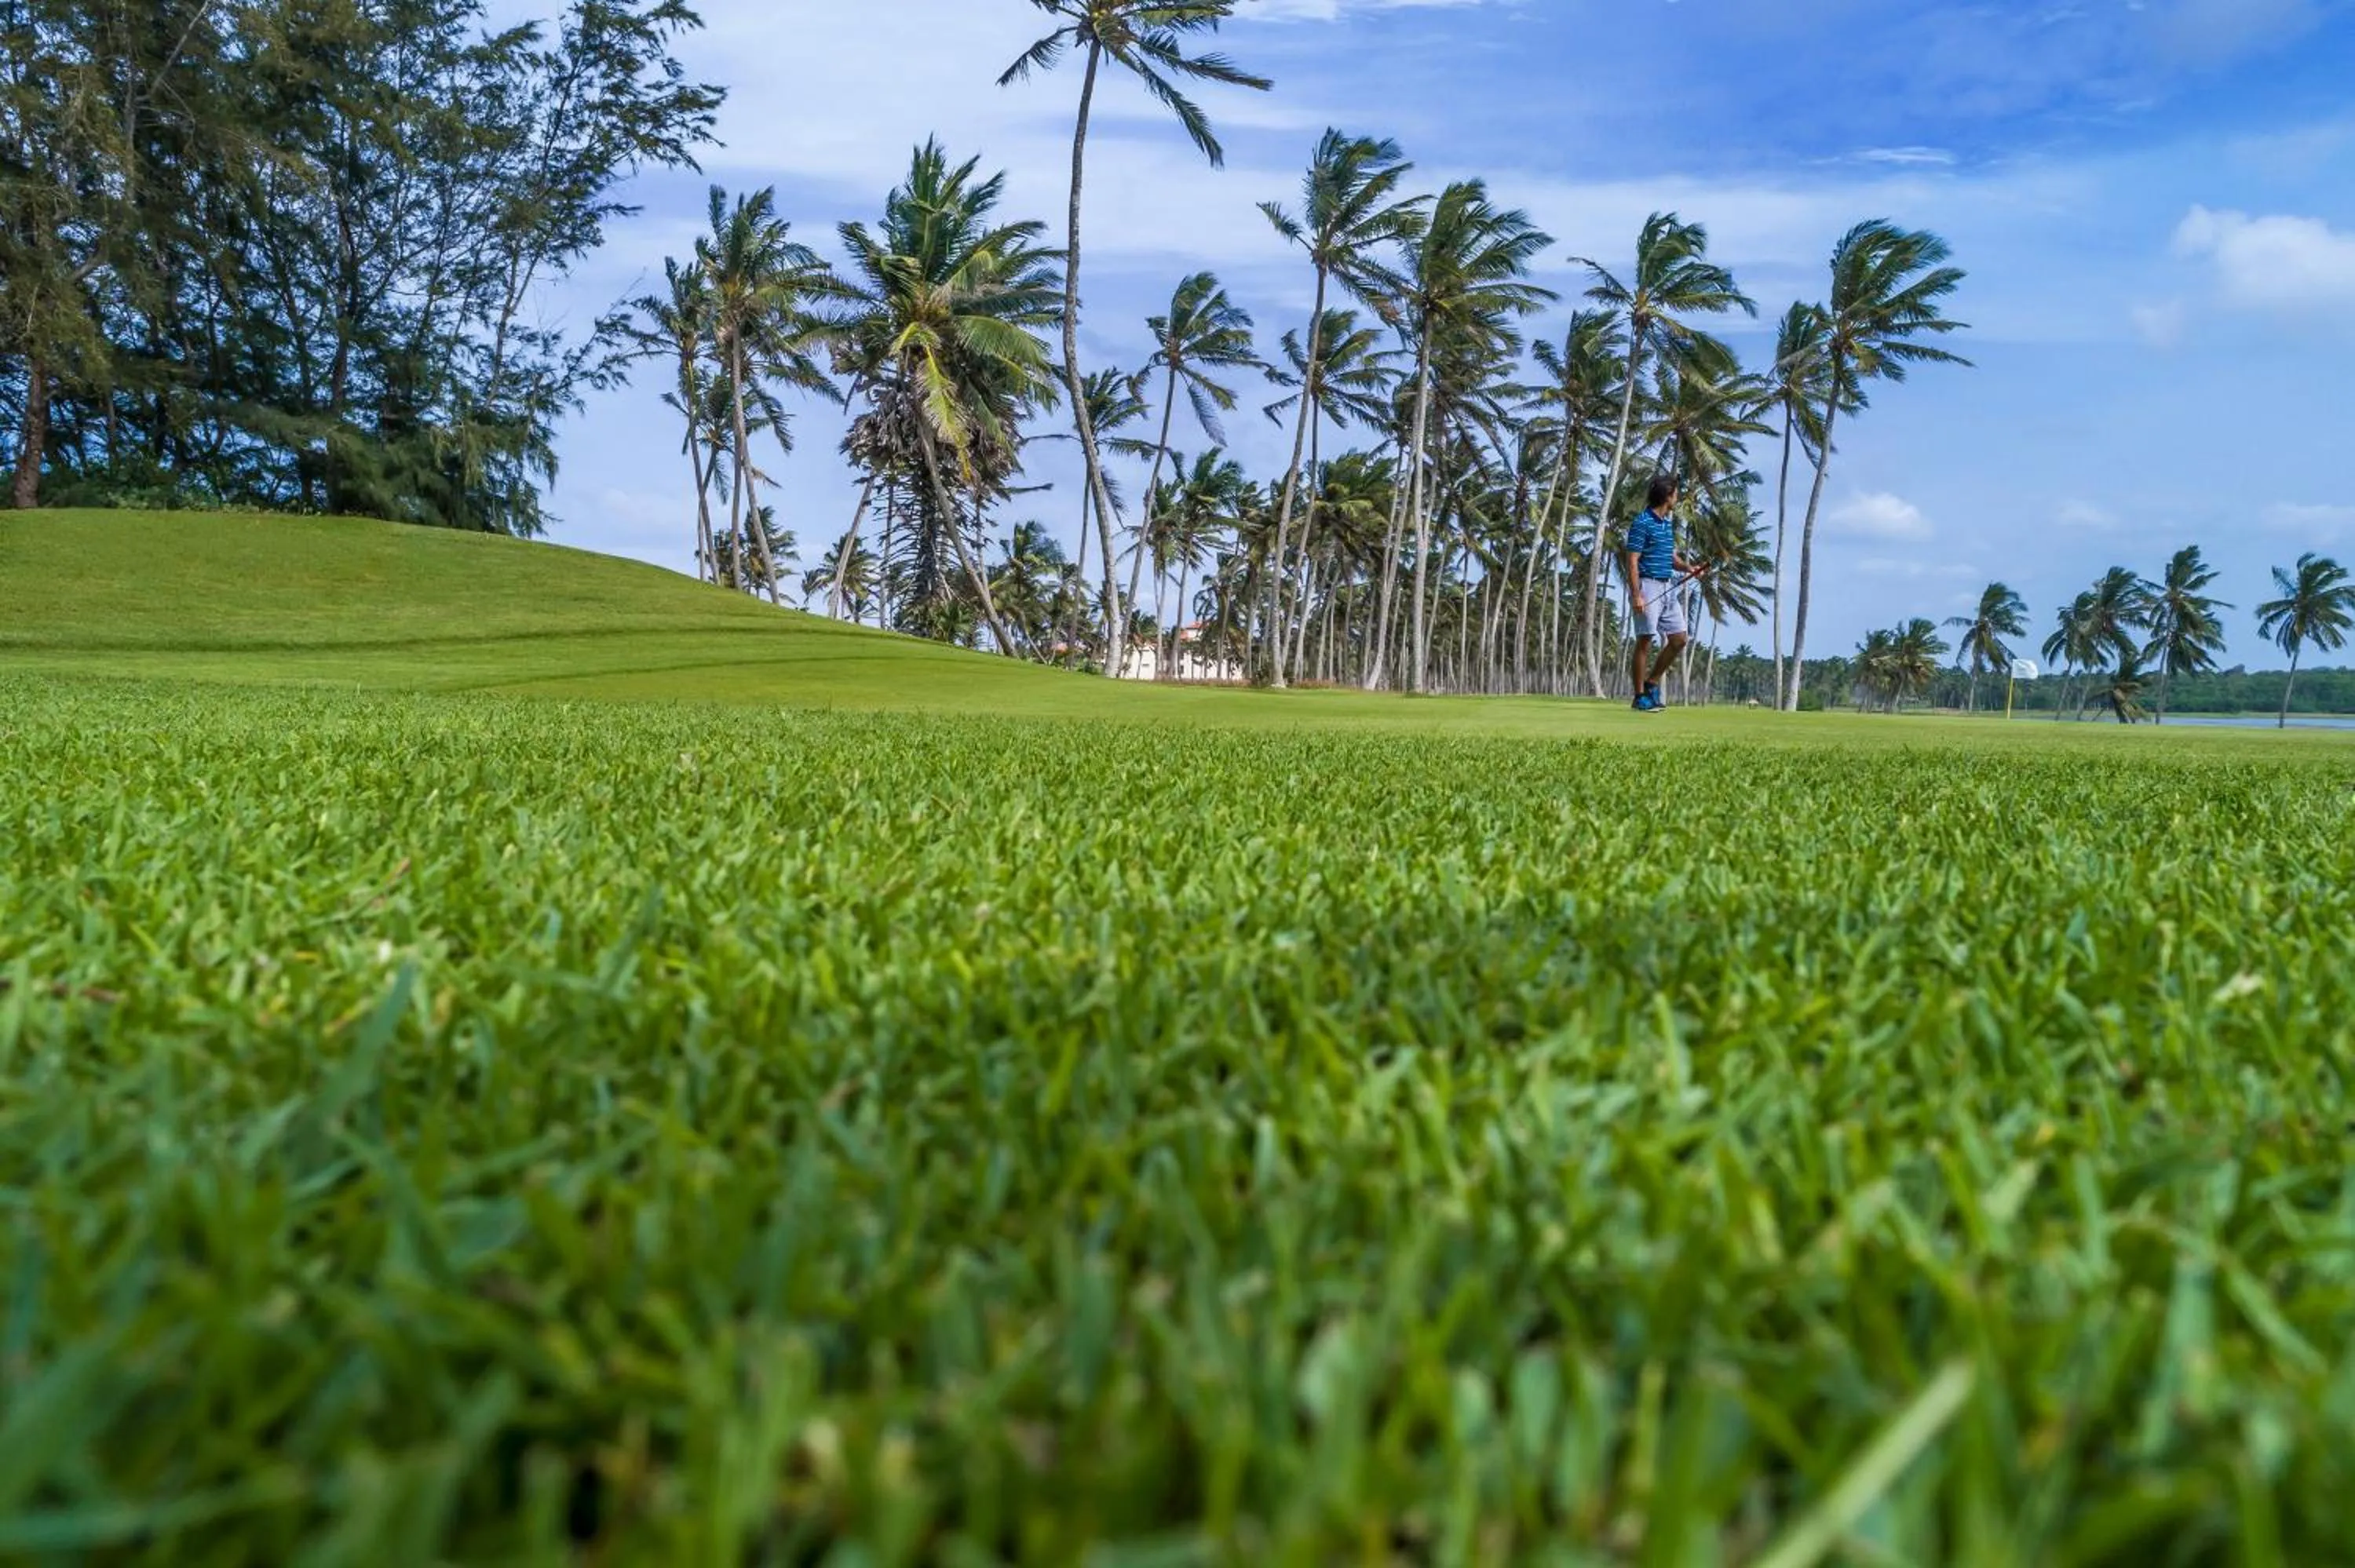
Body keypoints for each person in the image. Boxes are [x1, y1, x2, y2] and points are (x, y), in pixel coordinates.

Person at [1622, 474, 1697, 713]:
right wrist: (1636, 595)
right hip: (1647, 585)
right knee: (1645, 640)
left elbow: (1669, 556)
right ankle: (1639, 696)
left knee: (1679, 639)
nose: (1677, 497)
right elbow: (1632, 561)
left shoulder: (1666, 523)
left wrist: (1687, 567)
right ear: (1667, 496)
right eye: (1676, 493)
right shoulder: (1642, 522)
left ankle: (1652, 682)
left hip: (1667, 587)